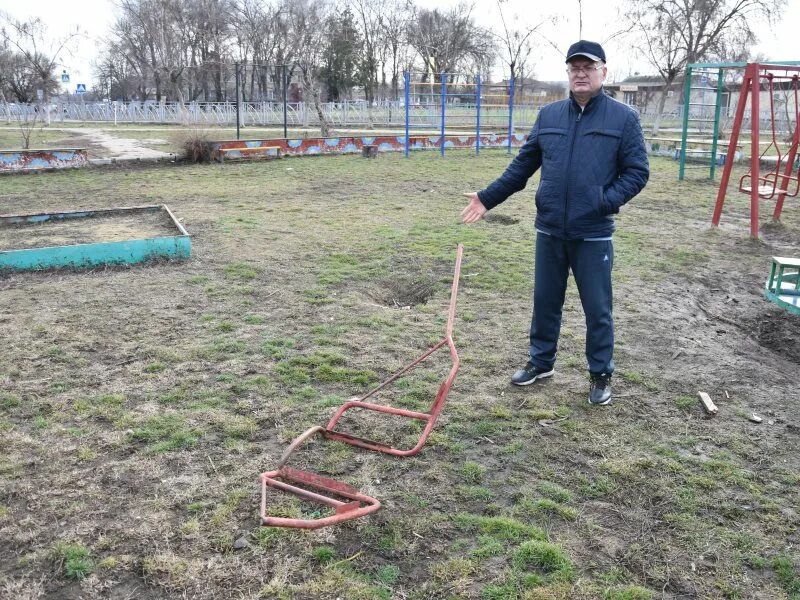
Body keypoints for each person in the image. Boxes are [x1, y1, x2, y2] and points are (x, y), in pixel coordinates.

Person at [461, 40, 649, 405]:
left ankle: (600, 374)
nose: (580, 73)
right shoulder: (549, 116)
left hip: (592, 233)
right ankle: (541, 361)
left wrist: (603, 201)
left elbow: (637, 172)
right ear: (568, 73)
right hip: (549, 228)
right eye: (574, 68)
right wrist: (487, 197)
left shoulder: (623, 118)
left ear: (603, 73)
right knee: (546, 301)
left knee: (597, 308)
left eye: (588, 67)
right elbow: (522, 167)